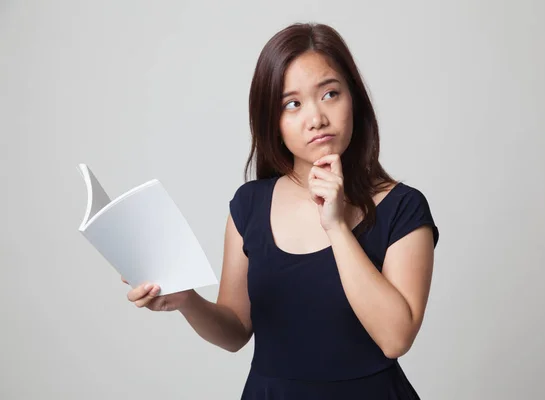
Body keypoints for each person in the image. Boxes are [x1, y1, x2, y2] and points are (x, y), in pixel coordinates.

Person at [123, 22, 440, 399]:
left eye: (330, 94)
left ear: (353, 99)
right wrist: (186, 301)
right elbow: (236, 331)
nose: (316, 118)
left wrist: (336, 226)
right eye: (292, 104)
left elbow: (395, 338)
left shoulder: (403, 207)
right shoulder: (249, 206)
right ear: (273, 122)